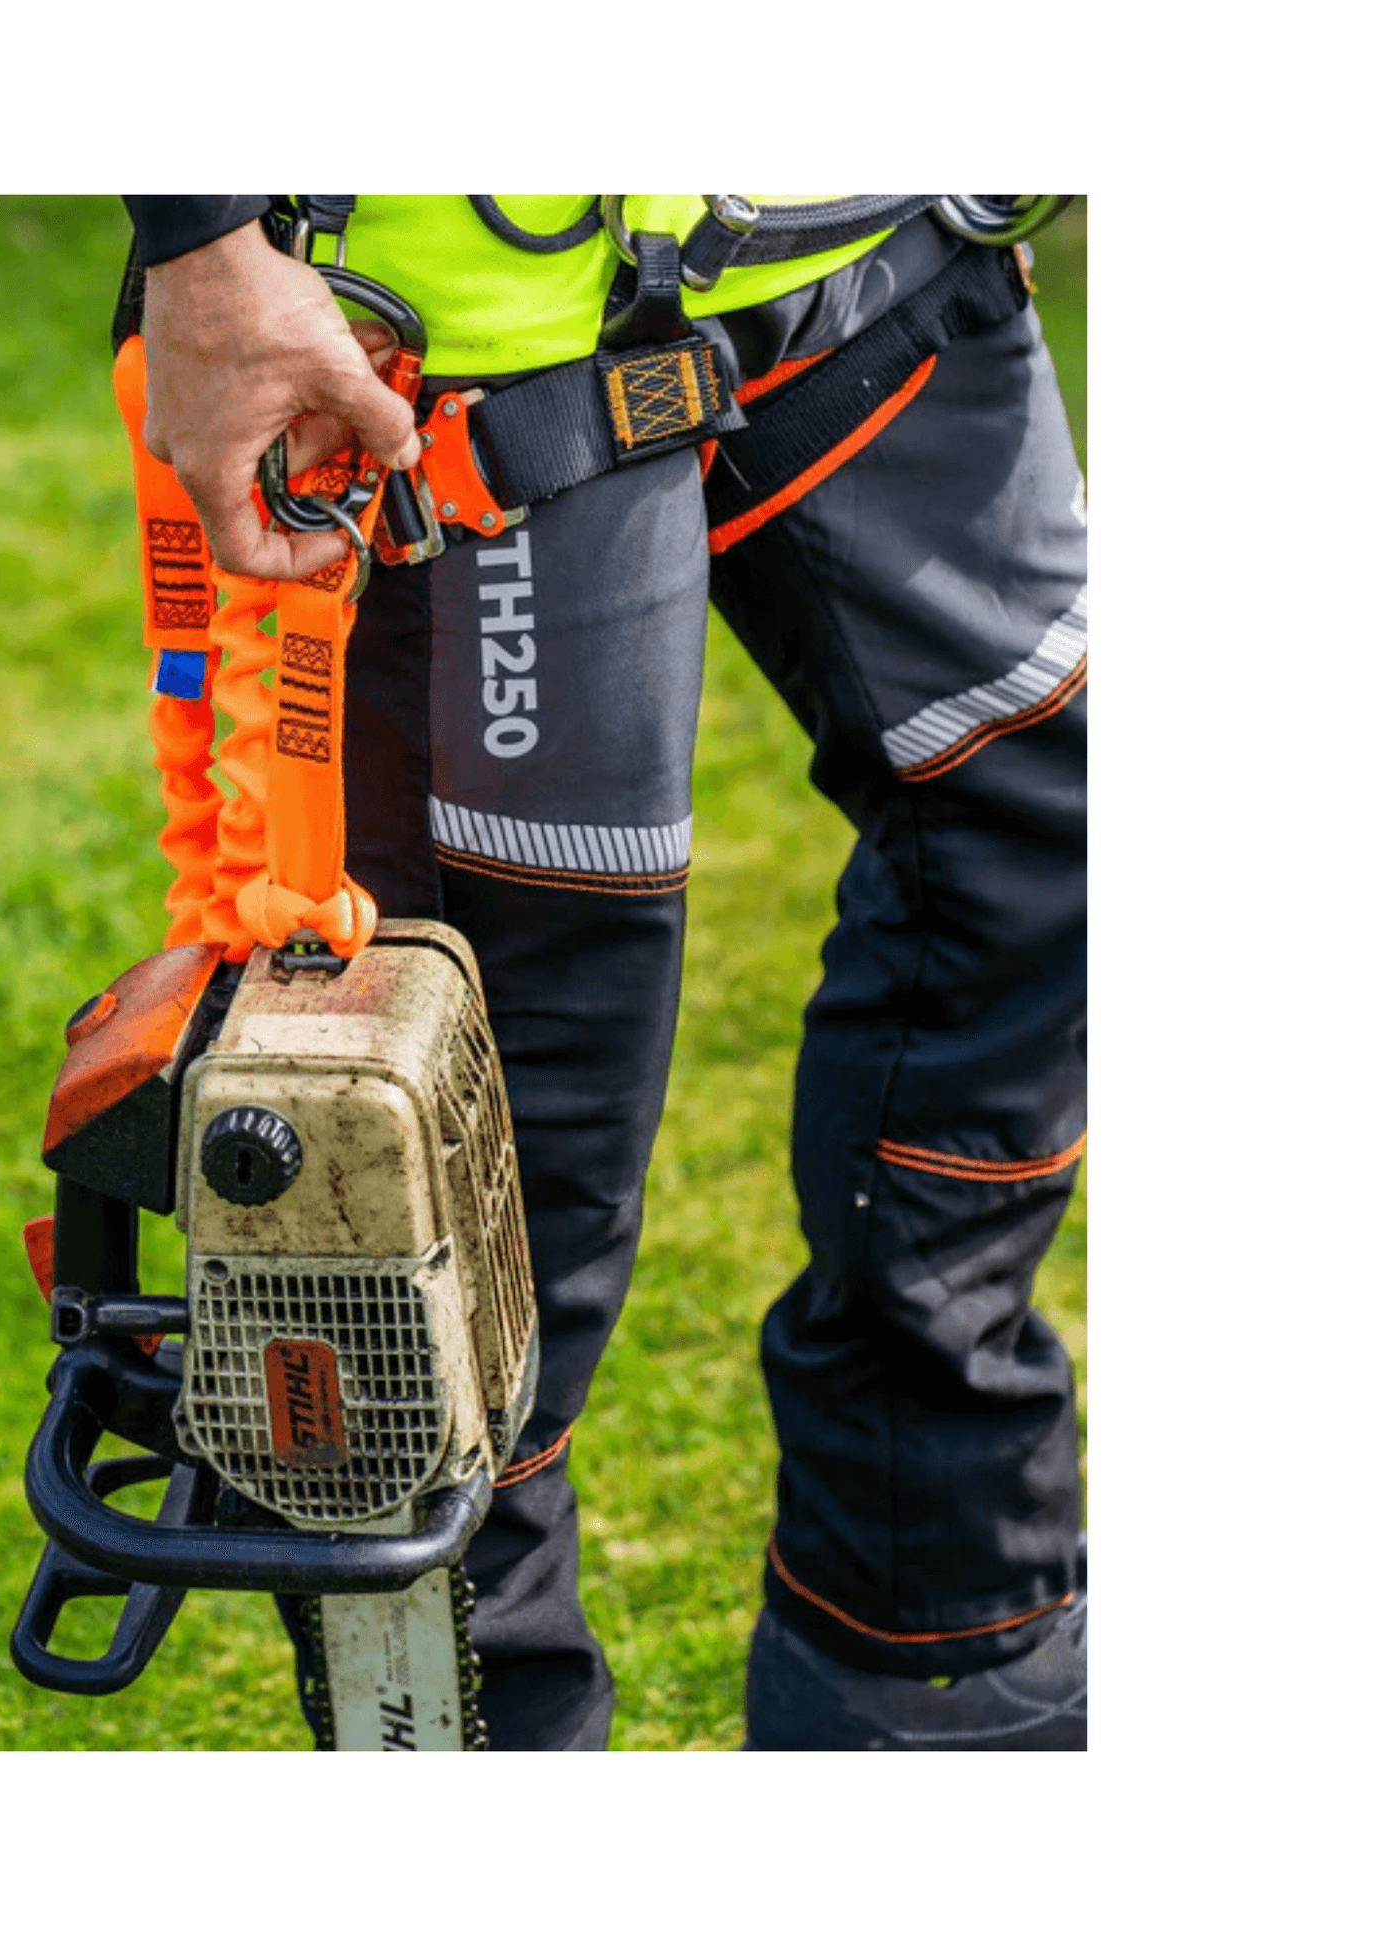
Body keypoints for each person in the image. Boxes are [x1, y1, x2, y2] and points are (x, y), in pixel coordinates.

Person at [119, 194, 1087, 1750]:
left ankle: (942, 1657)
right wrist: (202, 239)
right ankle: (472, 1749)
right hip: (443, 353)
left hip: (869, 234)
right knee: (458, 1172)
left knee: (1041, 866)